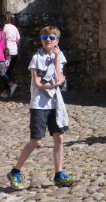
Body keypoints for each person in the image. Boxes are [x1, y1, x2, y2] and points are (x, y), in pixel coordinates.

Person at [7, 26, 75, 190]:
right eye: (45, 38)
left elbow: (58, 76)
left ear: (57, 40)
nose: (48, 41)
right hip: (39, 104)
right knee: (36, 140)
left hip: (55, 104)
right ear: (41, 40)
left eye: (51, 38)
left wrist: (57, 58)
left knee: (59, 138)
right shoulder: (36, 58)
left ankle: (58, 174)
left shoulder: (60, 56)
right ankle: (15, 171)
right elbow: (38, 84)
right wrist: (56, 83)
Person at [2, 13, 22, 98]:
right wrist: (19, 52)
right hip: (14, 52)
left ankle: (11, 85)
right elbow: (18, 41)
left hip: (7, 52)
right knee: (8, 71)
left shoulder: (3, 28)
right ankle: (7, 91)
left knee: (2, 71)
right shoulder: (14, 28)